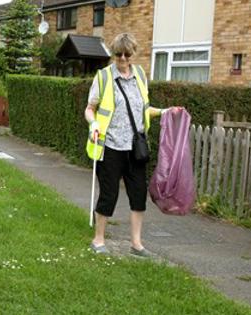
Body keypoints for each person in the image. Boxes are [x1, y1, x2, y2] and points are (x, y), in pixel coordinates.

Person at [85, 33, 177, 257]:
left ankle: (136, 243)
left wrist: (165, 112)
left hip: (136, 148)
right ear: (113, 54)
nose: (123, 58)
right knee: (110, 194)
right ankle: (98, 239)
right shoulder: (104, 77)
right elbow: (90, 108)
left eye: (127, 54)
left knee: (138, 194)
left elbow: (143, 109)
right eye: (118, 54)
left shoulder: (140, 76)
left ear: (133, 53)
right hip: (111, 146)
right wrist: (94, 123)